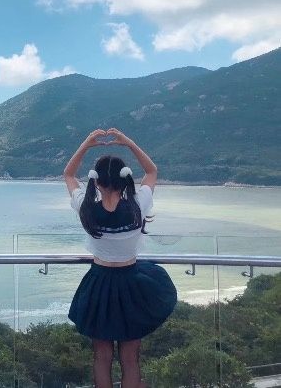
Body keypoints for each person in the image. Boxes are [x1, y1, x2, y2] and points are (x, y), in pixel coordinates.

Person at [63, 128, 177, 388]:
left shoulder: (86, 208)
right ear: (125, 180)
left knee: (101, 357)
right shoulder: (138, 205)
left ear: (96, 182)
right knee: (130, 359)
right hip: (132, 284)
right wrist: (128, 143)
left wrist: (87, 144)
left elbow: (68, 174)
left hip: (99, 284)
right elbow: (152, 171)